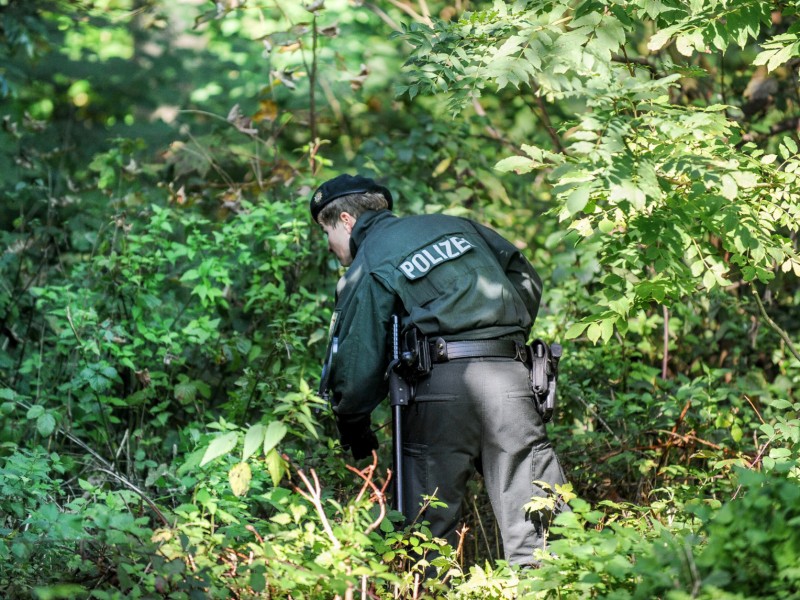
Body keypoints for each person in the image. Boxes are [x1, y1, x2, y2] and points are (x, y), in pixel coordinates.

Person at [311, 173, 568, 567]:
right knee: (541, 525)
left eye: (327, 232)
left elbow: (358, 357)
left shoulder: (370, 261)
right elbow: (523, 274)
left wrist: (352, 421)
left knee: (426, 536)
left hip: (439, 389)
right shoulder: (455, 226)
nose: (330, 246)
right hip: (511, 379)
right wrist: (500, 333)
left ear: (346, 220)